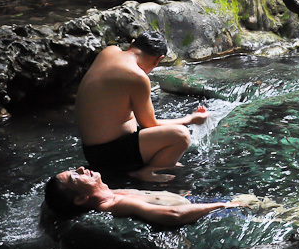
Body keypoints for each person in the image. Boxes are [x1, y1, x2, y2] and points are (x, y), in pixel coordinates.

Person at [75, 31, 210, 183]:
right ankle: (146, 172)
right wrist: (190, 119)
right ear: (158, 60)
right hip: (108, 153)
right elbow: (150, 124)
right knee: (180, 136)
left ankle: (153, 162)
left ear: (132, 44)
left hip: (91, 149)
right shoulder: (137, 77)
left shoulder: (109, 51)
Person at [44, 167, 244, 226]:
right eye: (75, 176)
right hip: (211, 215)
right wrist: (223, 205)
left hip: (197, 204)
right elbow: (174, 214)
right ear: (80, 199)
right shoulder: (116, 203)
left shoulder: (110, 193)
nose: (81, 168)